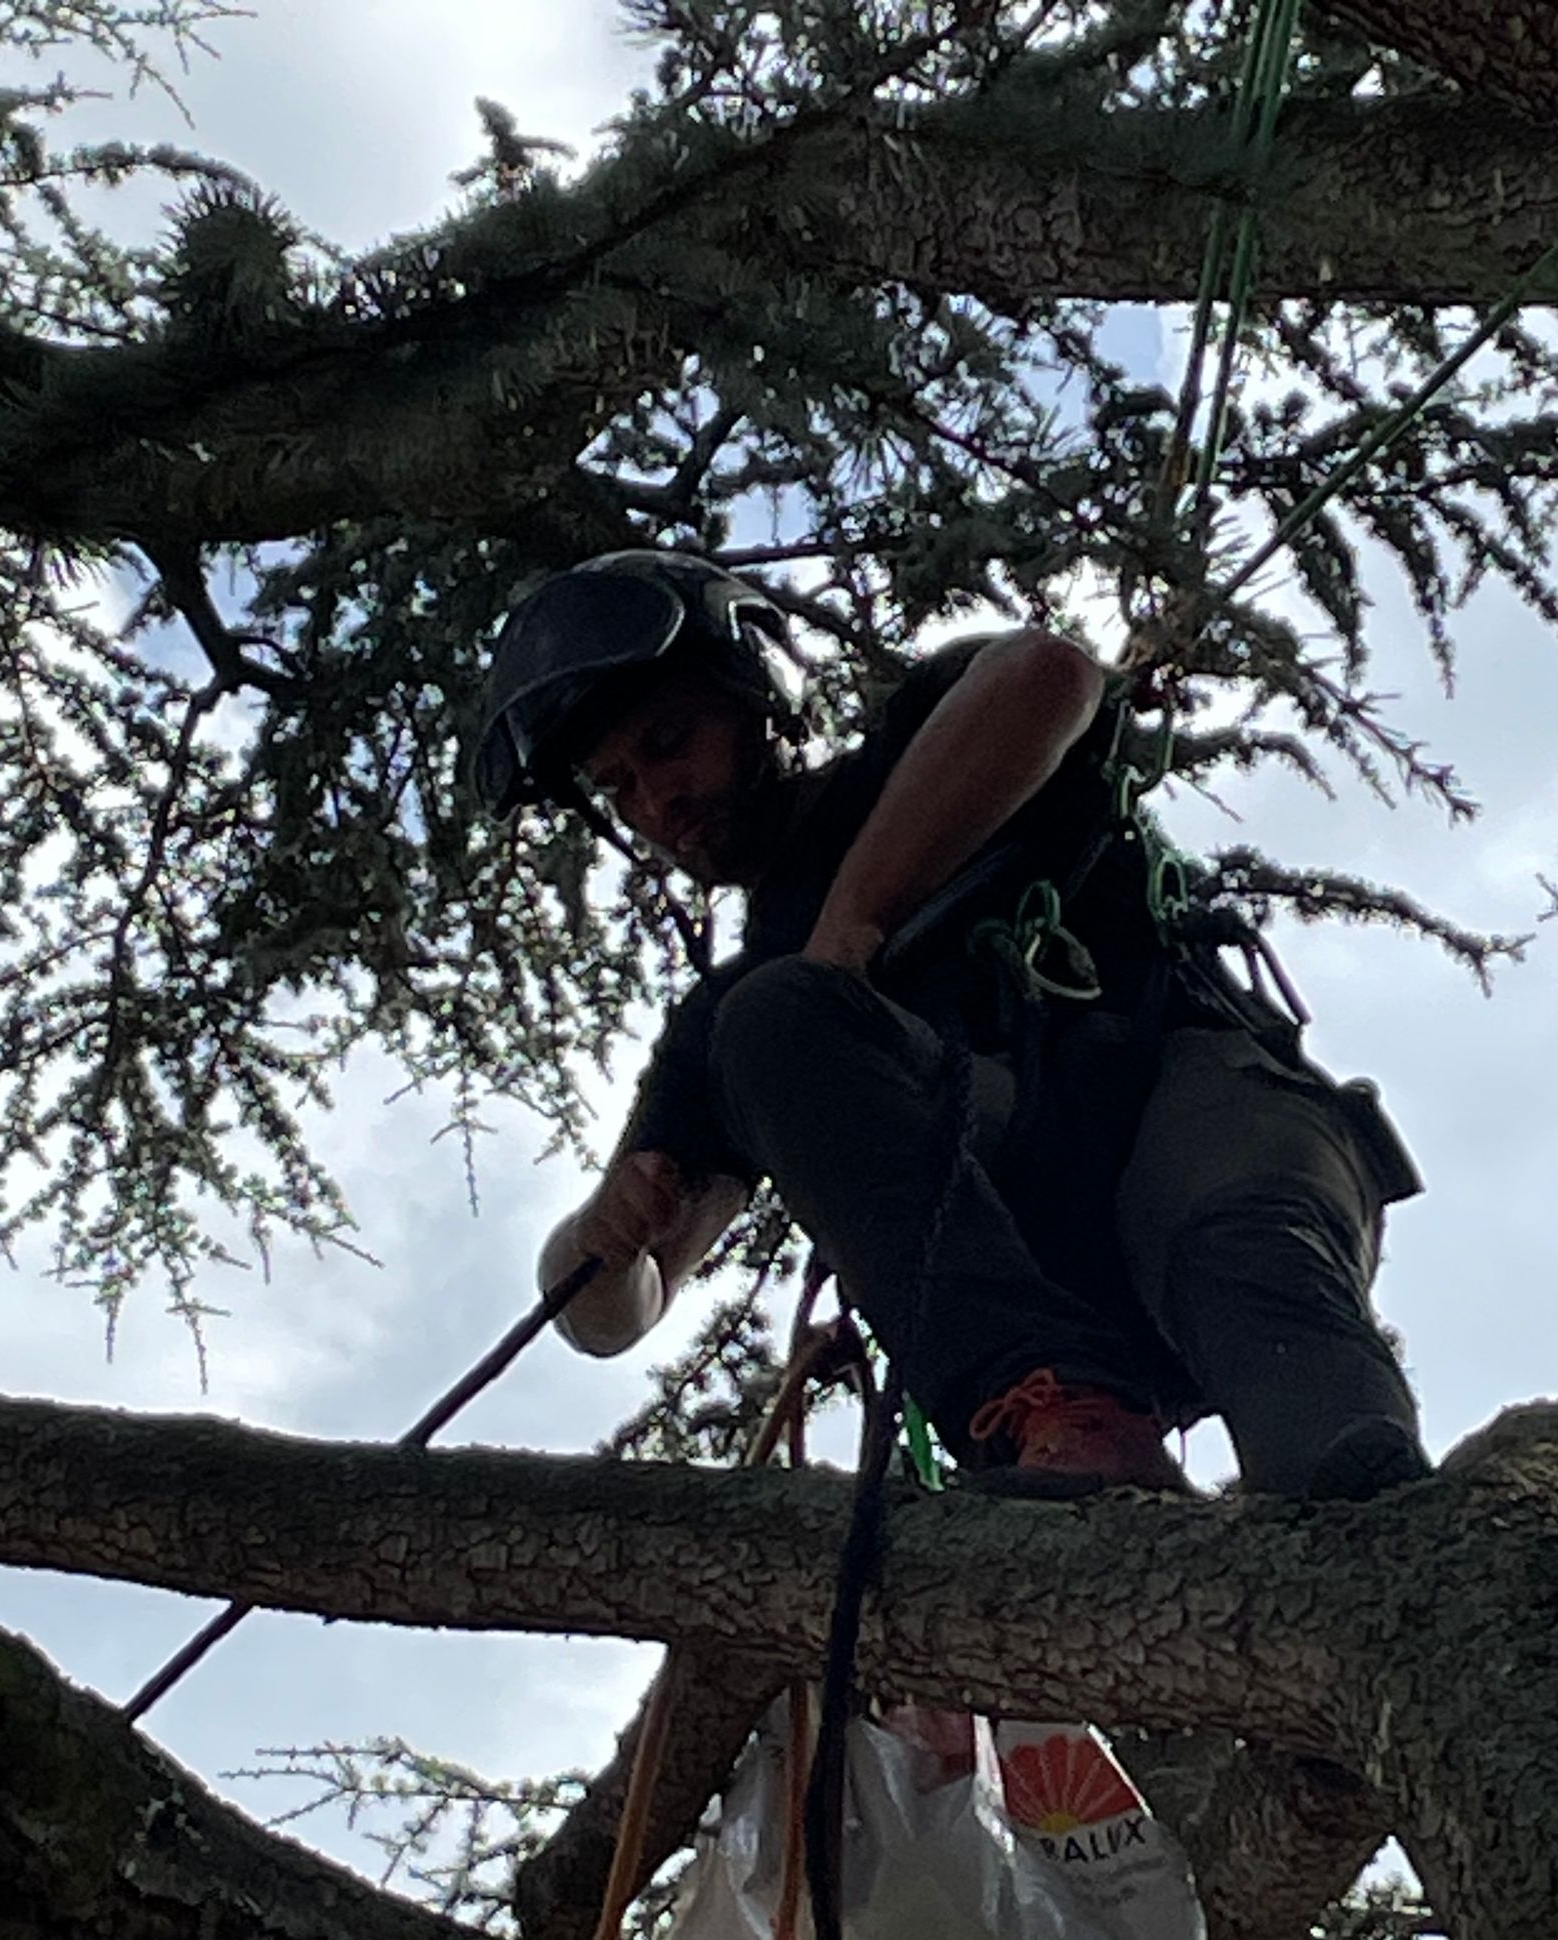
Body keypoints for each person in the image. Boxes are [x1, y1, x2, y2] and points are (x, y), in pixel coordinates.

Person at [475, 549, 1428, 1498]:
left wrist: (852, 923)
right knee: (771, 1022)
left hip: (1193, 1105)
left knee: (1261, 1306)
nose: (656, 800)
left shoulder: (922, 748)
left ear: (750, 694)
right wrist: (596, 1241)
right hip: (1042, 1258)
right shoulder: (736, 1019)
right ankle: (1059, 1412)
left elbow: (1049, 675)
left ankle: (1378, 1519)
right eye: (619, 788)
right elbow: (612, 1316)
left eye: (670, 741)